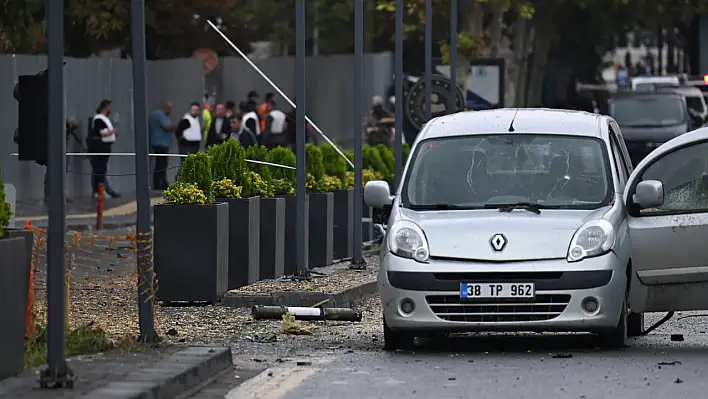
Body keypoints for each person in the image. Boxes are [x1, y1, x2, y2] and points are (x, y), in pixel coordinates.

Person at [87, 99, 121, 199]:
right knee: (99, 169)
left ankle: (103, 189)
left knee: (101, 169)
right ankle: (100, 190)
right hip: (100, 147)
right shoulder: (99, 119)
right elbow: (100, 132)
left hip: (104, 147)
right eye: (109, 107)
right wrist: (112, 132)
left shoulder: (104, 119)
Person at [148, 101, 176, 190]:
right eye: (170, 109)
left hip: (160, 143)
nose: (171, 111)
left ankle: (161, 182)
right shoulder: (160, 115)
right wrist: (178, 126)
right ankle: (160, 183)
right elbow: (166, 127)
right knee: (161, 164)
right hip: (160, 144)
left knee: (161, 164)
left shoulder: (160, 115)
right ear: (165, 107)